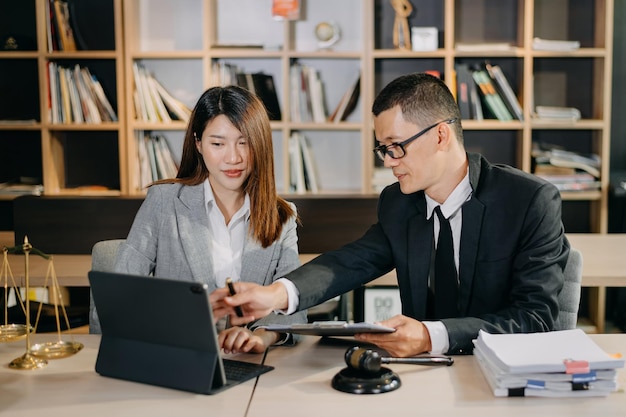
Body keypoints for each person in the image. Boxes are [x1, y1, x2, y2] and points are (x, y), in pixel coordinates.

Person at [210, 72, 570, 357]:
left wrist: (431, 335)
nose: (387, 161)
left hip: (497, 373)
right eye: (382, 149)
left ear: (441, 135)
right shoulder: (399, 203)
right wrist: (274, 295)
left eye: (396, 147)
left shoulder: (528, 201)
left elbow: (535, 318)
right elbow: (350, 262)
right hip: (418, 373)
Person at [95, 85, 307, 353]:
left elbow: (295, 306)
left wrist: (262, 337)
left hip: (250, 364)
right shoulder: (163, 202)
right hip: (175, 357)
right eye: (218, 143)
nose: (233, 157)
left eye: (245, 142)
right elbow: (121, 295)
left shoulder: (282, 216)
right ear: (198, 144)